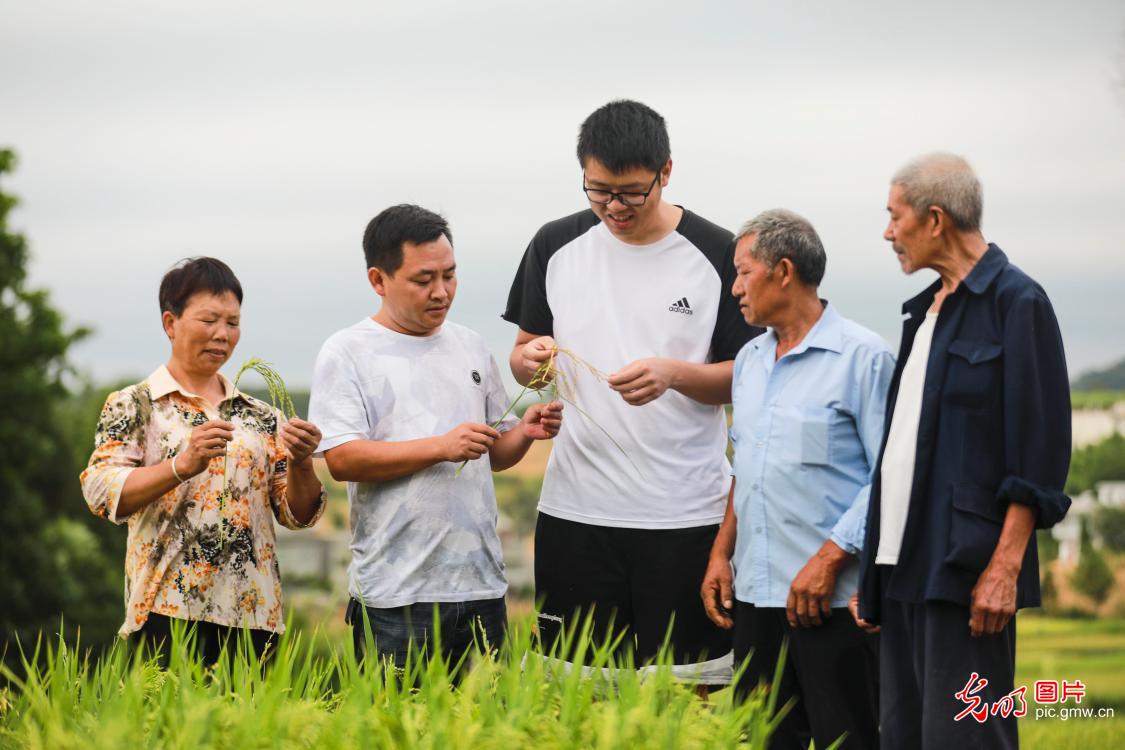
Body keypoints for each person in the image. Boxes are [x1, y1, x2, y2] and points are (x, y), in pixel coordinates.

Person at [503, 99, 762, 682]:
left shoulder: (718, 252)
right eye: (598, 191)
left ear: (665, 172)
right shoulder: (555, 244)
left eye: (629, 192)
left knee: (688, 686)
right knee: (576, 686)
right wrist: (532, 360)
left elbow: (750, 378)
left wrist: (674, 374)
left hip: (685, 514)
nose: (613, 208)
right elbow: (522, 353)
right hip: (576, 510)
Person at [852, 154, 1071, 749]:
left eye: (894, 217)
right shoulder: (923, 312)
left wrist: (1003, 569)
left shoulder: (1017, 302)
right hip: (902, 569)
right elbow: (900, 454)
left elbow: (1041, 453)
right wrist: (873, 568)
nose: (887, 232)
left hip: (966, 572)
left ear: (935, 219)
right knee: (902, 737)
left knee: (966, 740)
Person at [308, 204, 562, 668]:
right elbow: (342, 459)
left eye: (450, 275)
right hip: (395, 595)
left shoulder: (469, 345)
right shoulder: (347, 352)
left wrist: (525, 431)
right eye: (424, 280)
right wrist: (441, 447)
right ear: (378, 280)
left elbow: (495, 454)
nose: (441, 292)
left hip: (481, 585)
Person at [700, 210, 890, 748]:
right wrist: (721, 553)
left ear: (783, 271)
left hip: (834, 604)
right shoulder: (751, 362)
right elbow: (747, 468)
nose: (734, 289)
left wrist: (831, 557)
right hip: (758, 600)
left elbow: (891, 476)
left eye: (742, 273)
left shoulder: (864, 358)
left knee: (848, 739)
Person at [80, 257, 326, 662]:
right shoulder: (137, 405)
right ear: (170, 323)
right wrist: (182, 464)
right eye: (208, 320)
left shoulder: (260, 416)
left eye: (232, 322)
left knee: (252, 725)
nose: (222, 334)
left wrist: (301, 463)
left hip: (254, 616)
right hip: (166, 611)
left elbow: (297, 514)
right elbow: (101, 491)